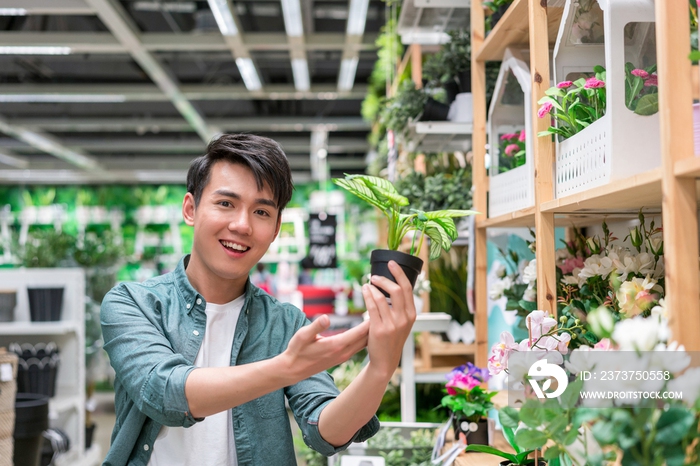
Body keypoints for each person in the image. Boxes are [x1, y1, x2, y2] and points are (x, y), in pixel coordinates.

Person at [100, 133, 417, 466]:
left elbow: (326, 433)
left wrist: (380, 368)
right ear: (191, 209)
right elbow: (164, 392)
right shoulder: (133, 304)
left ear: (276, 227)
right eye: (226, 204)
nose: (242, 225)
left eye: (261, 212)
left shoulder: (285, 325)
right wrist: (284, 369)